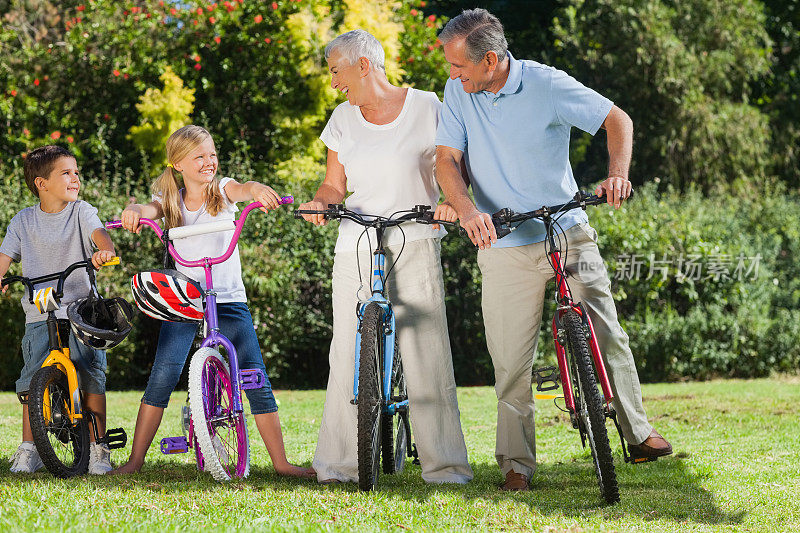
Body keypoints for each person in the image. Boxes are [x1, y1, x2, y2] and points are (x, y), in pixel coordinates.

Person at [433, 8, 672, 491]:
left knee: (607, 332)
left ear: (491, 60)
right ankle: (516, 465)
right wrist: (467, 208)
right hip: (502, 241)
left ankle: (638, 433)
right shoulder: (458, 93)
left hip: (568, 229)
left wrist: (617, 174)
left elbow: (615, 119)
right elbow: (446, 162)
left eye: (458, 65)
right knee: (511, 363)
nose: (451, 74)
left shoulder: (546, 84)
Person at [298, 29, 473, 484]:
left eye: (337, 71)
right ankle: (338, 463)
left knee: (427, 351)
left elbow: (453, 167)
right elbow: (334, 185)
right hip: (355, 240)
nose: (334, 82)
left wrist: (454, 203)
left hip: (414, 237)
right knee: (345, 351)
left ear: (363, 65)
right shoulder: (342, 117)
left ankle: (445, 467)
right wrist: (321, 203)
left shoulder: (427, 106)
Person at [112, 125, 313, 478]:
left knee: (254, 376)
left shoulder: (222, 190)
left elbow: (244, 189)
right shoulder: (170, 198)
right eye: (199, 156)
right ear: (178, 164)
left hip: (228, 299)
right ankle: (135, 460)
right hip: (184, 301)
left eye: (212, 154)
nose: (209, 162)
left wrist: (258, 190)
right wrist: (133, 210)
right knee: (163, 374)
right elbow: (148, 208)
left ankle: (281, 463)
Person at [0, 145, 118, 474]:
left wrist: (104, 252)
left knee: (91, 375)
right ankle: (30, 448)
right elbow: (5, 255)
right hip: (40, 312)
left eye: (76, 172)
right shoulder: (23, 221)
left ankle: (98, 448)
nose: (74, 178)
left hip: (81, 311)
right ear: (42, 183)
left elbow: (101, 236)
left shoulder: (81, 212)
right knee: (31, 381)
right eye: (66, 173)